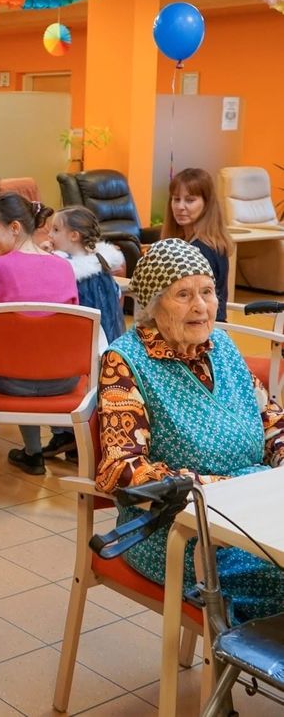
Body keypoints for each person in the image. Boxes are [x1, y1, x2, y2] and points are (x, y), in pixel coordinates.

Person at [95, 238, 284, 624]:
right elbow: (121, 469)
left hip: (251, 512)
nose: (201, 306)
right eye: (183, 294)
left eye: (207, 292)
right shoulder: (126, 361)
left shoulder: (224, 347)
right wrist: (221, 488)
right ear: (152, 305)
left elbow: (270, 420)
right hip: (175, 530)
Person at [0, 192, 79, 474]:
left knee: (17, 357)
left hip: (10, 382)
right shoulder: (65, 267)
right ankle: (47, 448)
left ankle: (33, 453)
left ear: (14, 227)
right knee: (34, 352)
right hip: (64, 380)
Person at [161, 167, 233, 322]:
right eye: (176, 199)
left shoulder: (201, 250)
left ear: (207, 204)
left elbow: (191, 305)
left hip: (201, 334)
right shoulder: (199, 242)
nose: (180, 207)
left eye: (190, 200)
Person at [49, 206, 126, 346]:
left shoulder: (69, 272)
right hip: (105, 341)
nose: (49, 235)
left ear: (74, 236)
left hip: (78, 342)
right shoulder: (99, 263)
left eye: (55, 230)